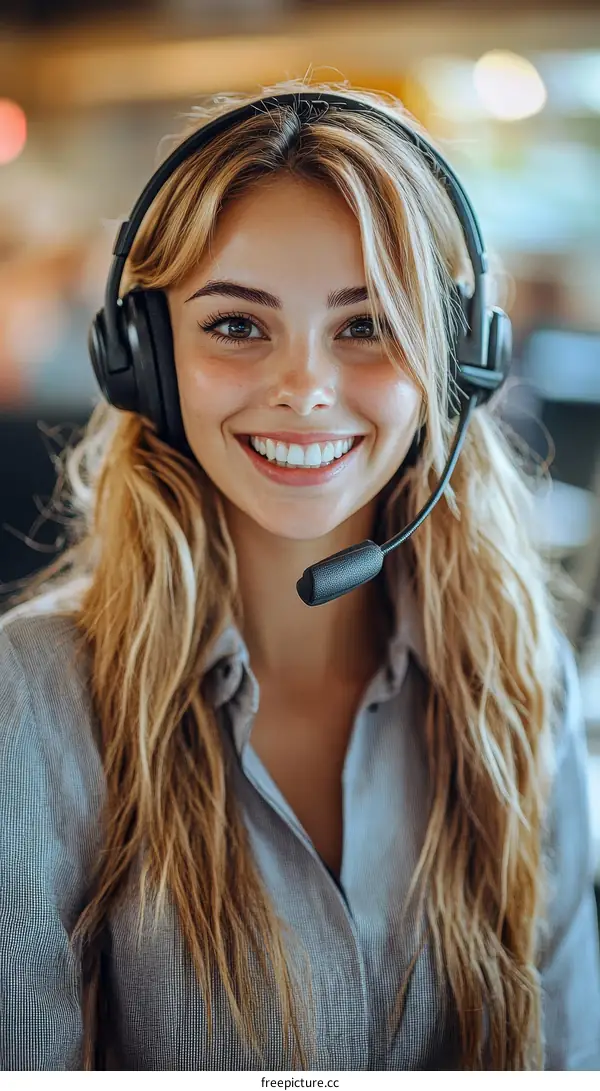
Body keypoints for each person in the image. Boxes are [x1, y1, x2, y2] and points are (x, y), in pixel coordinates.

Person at [1, 78, 599, 1072]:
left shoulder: (521, 680)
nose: (305, 387)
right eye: (238, 324)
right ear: (144, 360)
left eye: (365, 324)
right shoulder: (36, 697)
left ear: (455, 364)